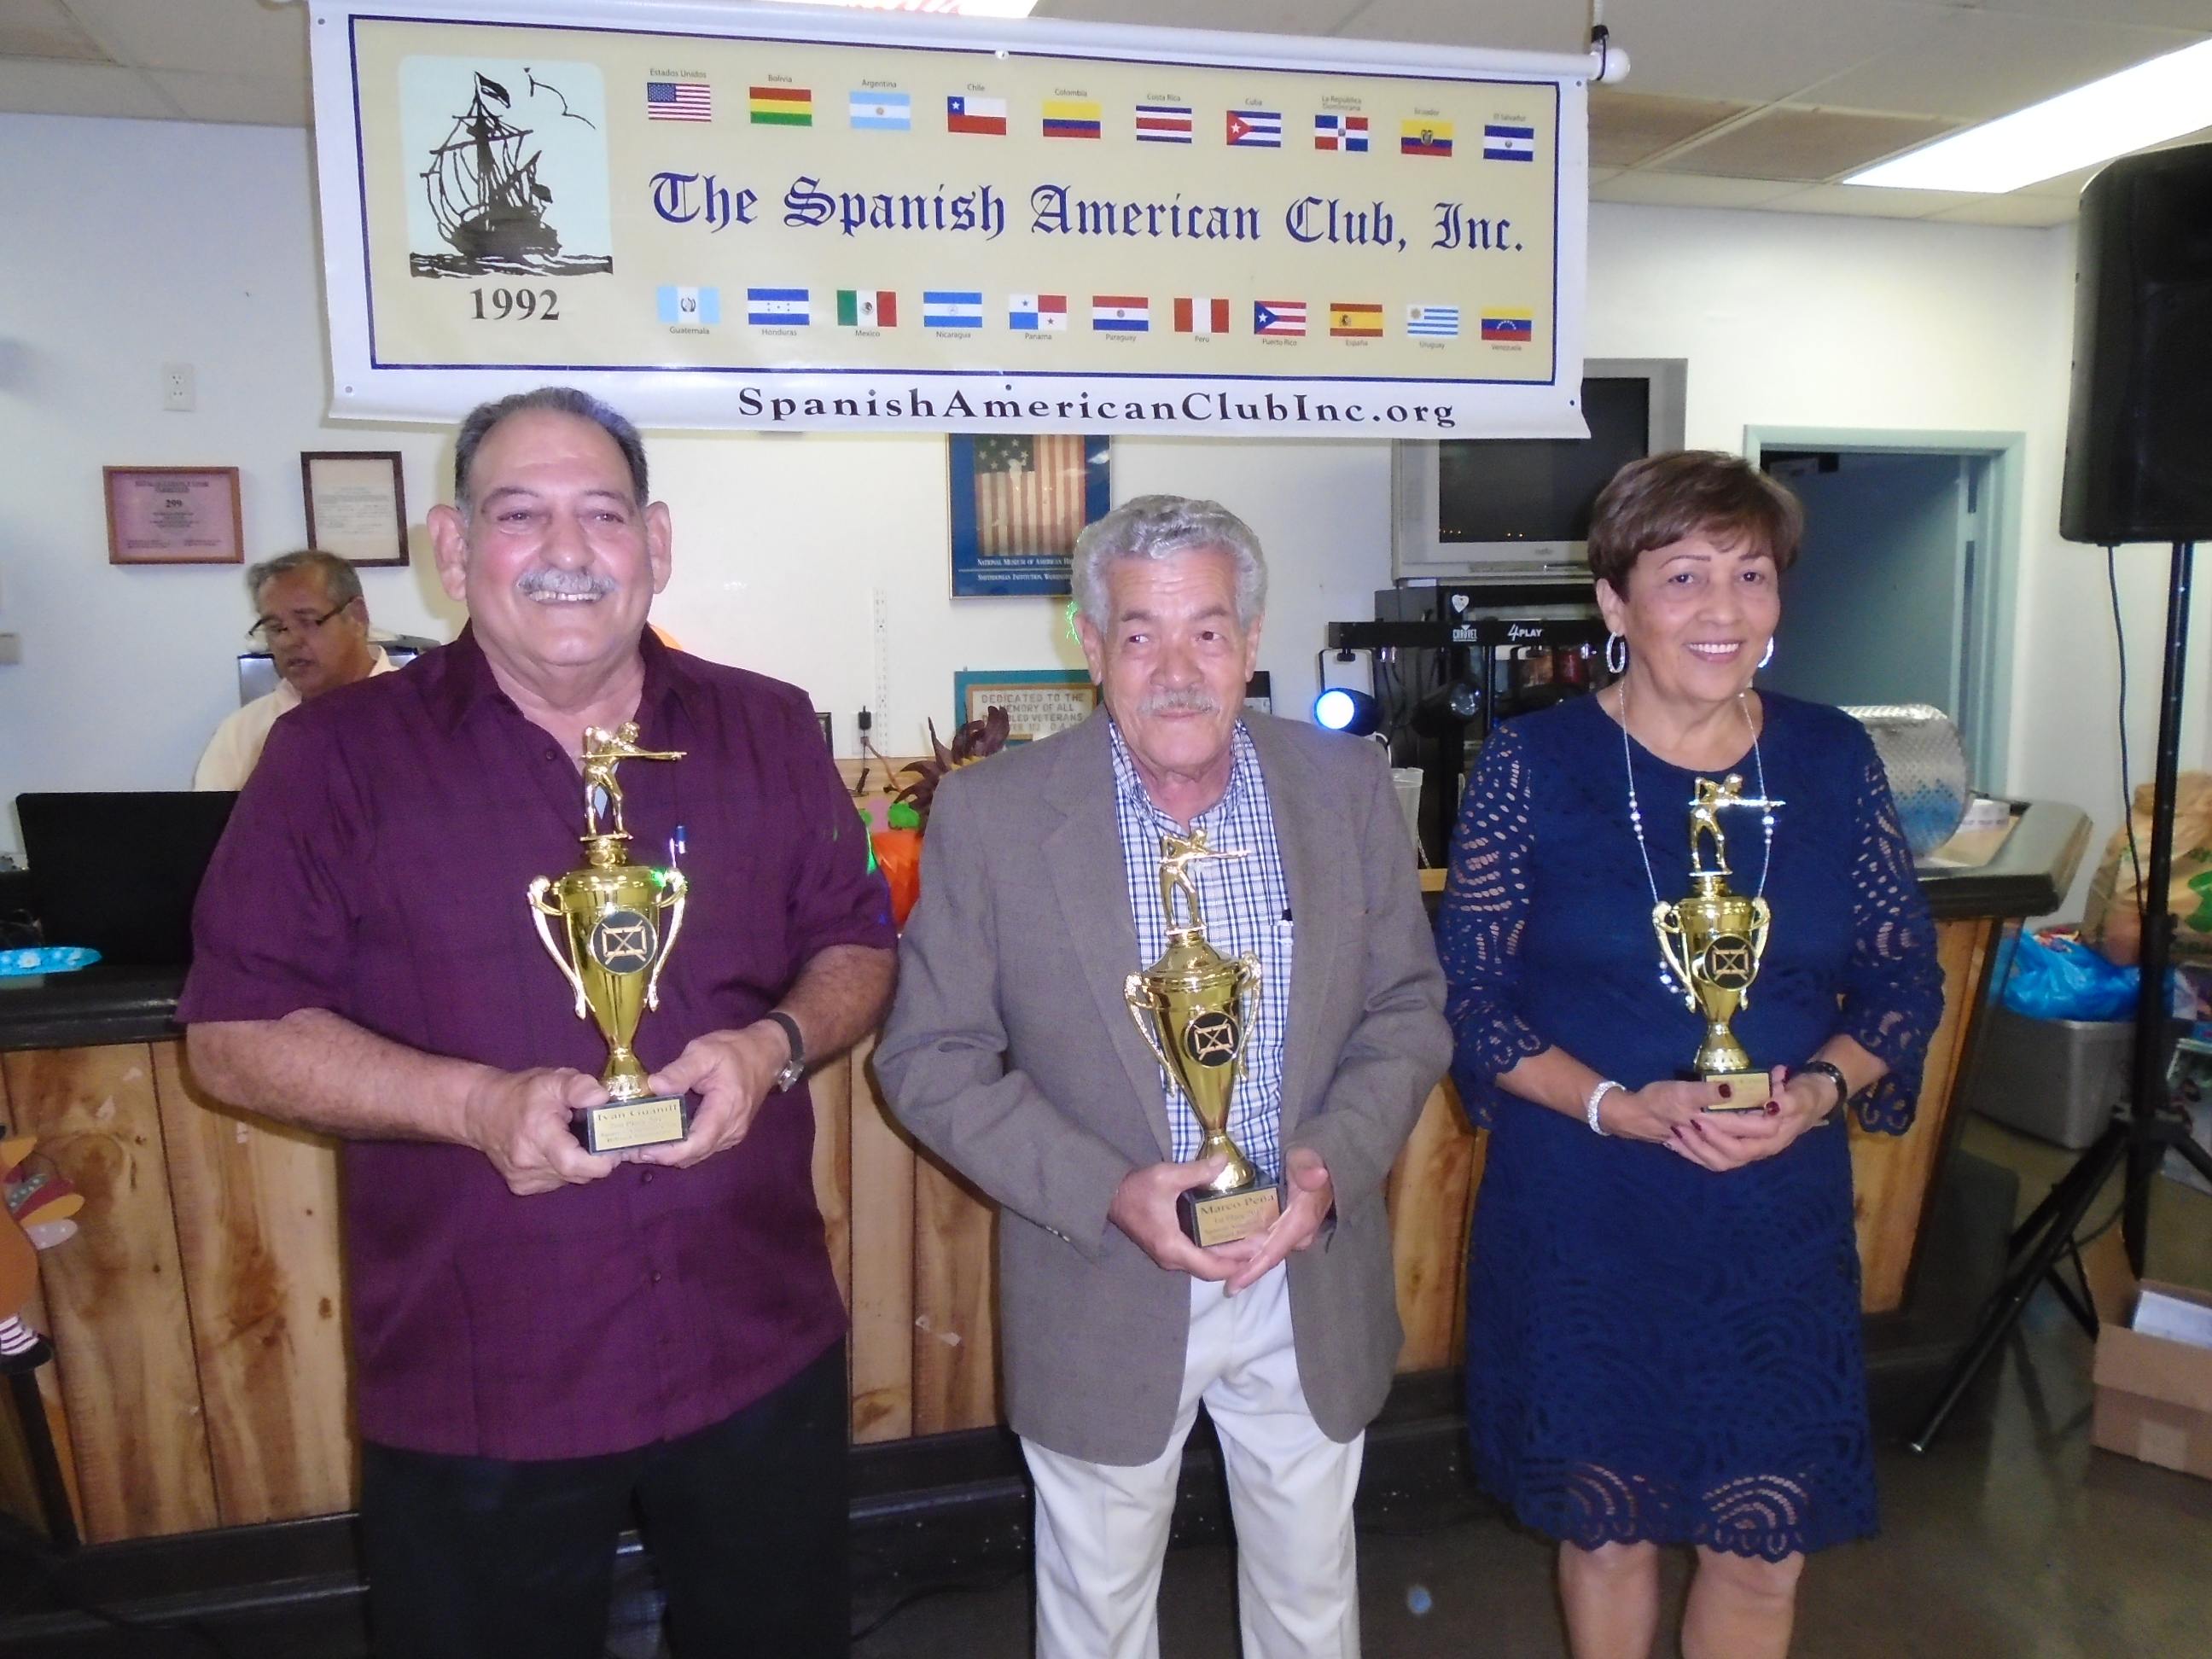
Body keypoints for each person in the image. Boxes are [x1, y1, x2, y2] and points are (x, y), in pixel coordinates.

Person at [178, 387, 895, 1659]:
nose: (568, 551)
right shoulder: (332, 759)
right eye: (521, 515)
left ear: (654, 543)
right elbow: (233, 1030)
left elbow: (856, 945)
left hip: (756, 1341)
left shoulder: (769, 726)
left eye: (602, 514)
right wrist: (472, 1104)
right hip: (483, 1371)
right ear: (455, 549)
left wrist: (773, 1047)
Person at [876, 494, 1450, 1659]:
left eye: (1208, 631)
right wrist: (1107, 1191)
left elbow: (1407, 1007)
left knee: (1311, 1610)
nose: (1178, 670)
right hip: (1102, 1275)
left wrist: (1331, 1163)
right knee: (1096, 1623)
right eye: (1141, 634)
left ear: (1251, 641)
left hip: (1305, 1267)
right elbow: (928, 1059)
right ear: (1091, 647)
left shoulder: (1344, 785)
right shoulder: (992, 814)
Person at [1439, 450, 1946, 1659]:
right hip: (1588, 1210)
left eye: (1751, 574)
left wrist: (1817, 1091)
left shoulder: (1830, 757)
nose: (1723, 608)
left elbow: (1903, 979)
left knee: (1760, 1545)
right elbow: (1470, 1000)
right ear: (1614, 603)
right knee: (1608, 1531)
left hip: (1772, 1217)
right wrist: (1615, 1105)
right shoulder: (1534, 765)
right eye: (1683, 576)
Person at [193, 549, 395, 789]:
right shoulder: (241, 734)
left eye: (307, 622)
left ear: (356, 617)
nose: (288, 641)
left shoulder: (417, 713)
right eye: (275, 627)